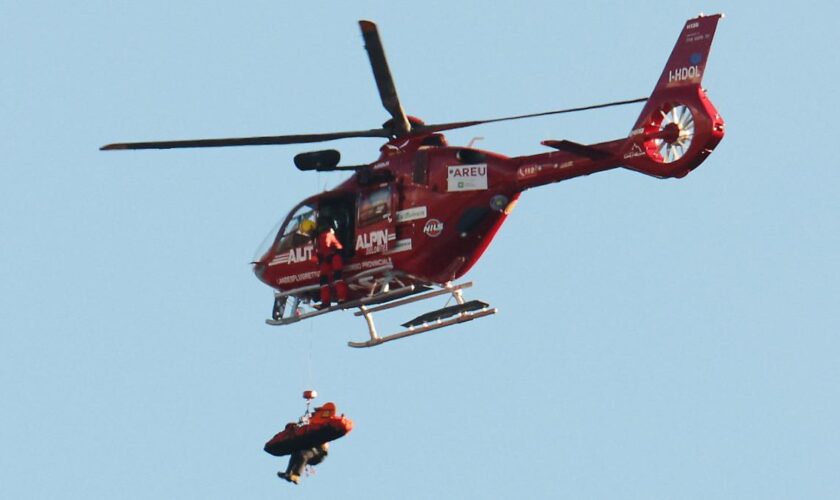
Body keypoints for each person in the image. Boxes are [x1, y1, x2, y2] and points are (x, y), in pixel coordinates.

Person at [315, 216, 347, 307]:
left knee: (337, 277)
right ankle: (326, 301)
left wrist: (326, 256)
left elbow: (329, 247)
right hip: (327, 260)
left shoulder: (326, 235)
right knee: (324, 280)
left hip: (333, 258)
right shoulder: (322, 236)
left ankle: (340, 298)